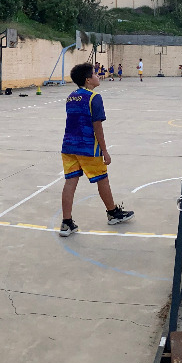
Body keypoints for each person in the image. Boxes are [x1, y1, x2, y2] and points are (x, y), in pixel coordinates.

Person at [59, 63, 133, 236]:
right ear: (88, 80)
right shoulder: (94, 97)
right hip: (87, 148)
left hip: (68, 145)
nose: (98, 75)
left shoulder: (71, 97)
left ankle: (66, 222)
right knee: (103, 180)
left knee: (70, 183)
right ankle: (113, 213)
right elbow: (97, 126)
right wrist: (105, 150)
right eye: (95, 74)